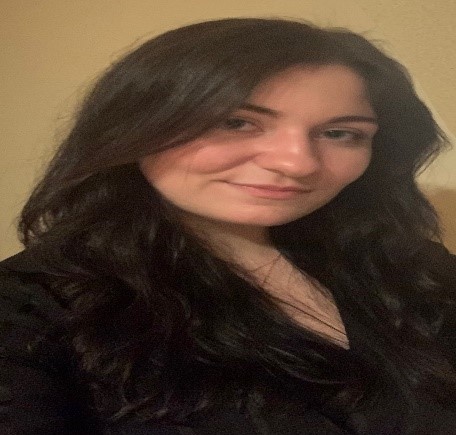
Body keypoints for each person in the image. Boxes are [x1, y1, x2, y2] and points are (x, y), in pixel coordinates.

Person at [0, 17, 455, 434]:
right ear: (133, 128)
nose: (297, 163)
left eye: (340, 133)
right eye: (236, 122)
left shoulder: (412, 269)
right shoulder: (31, 309)